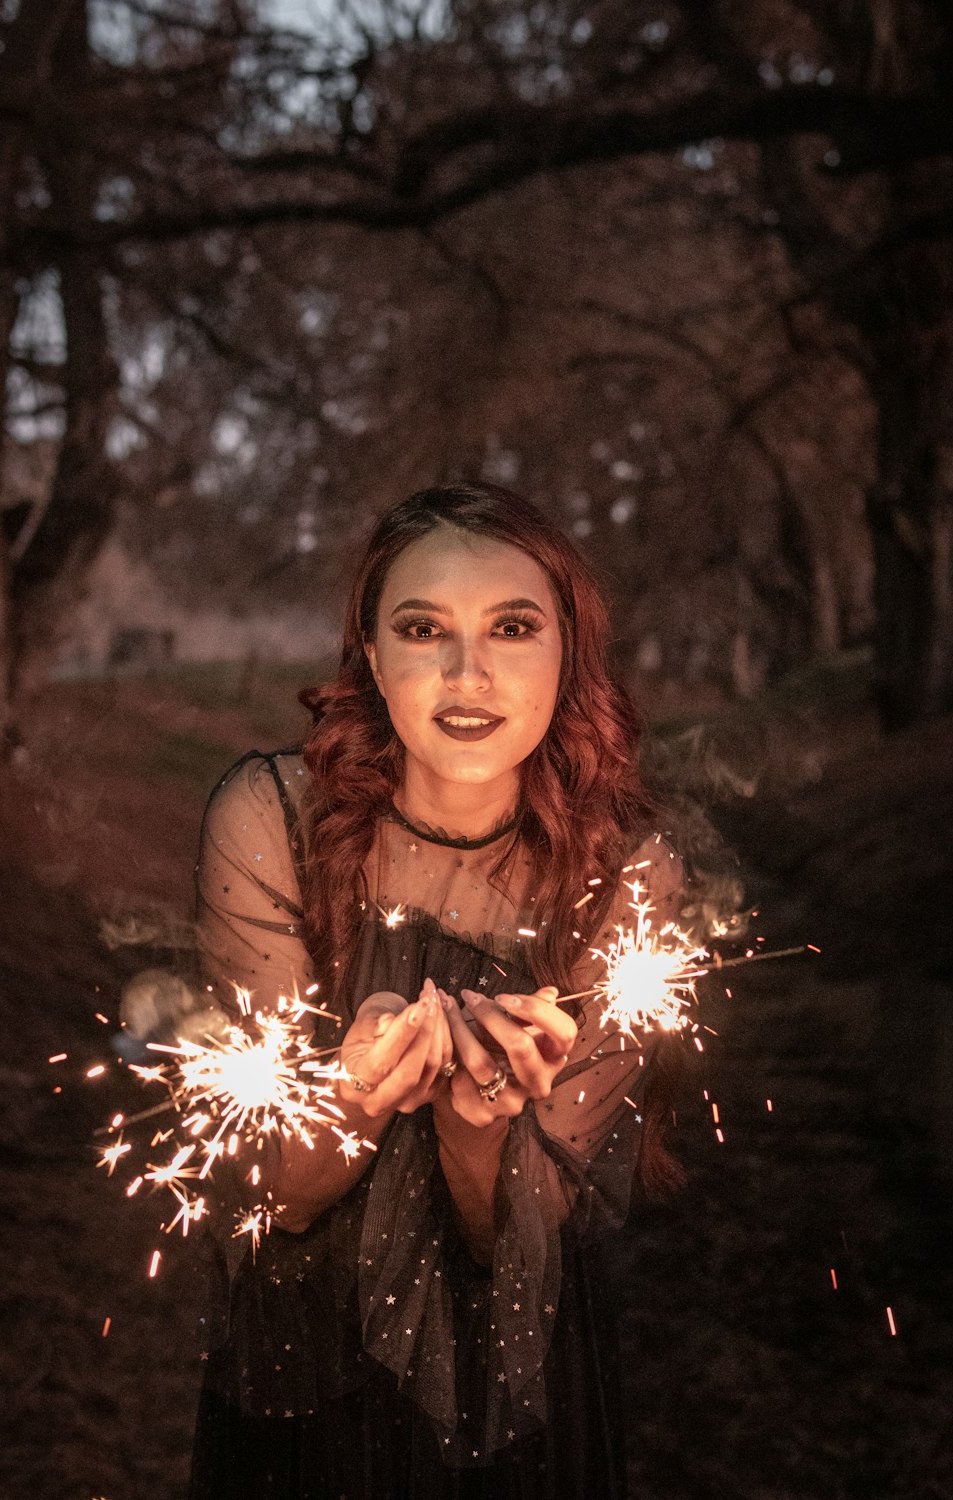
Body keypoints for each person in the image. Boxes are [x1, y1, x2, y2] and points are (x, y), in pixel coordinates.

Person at [188, 482, 687, 1499]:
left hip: (524, 1390)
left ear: (566, 654)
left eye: (513, 627)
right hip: (306, 1368)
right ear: (371, 655)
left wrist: (477, 1130)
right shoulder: (270, 822)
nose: (469, 673)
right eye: (423, 629)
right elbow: (268, 1195)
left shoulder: (630, 873)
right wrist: (357, 1095)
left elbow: (524, 1240)